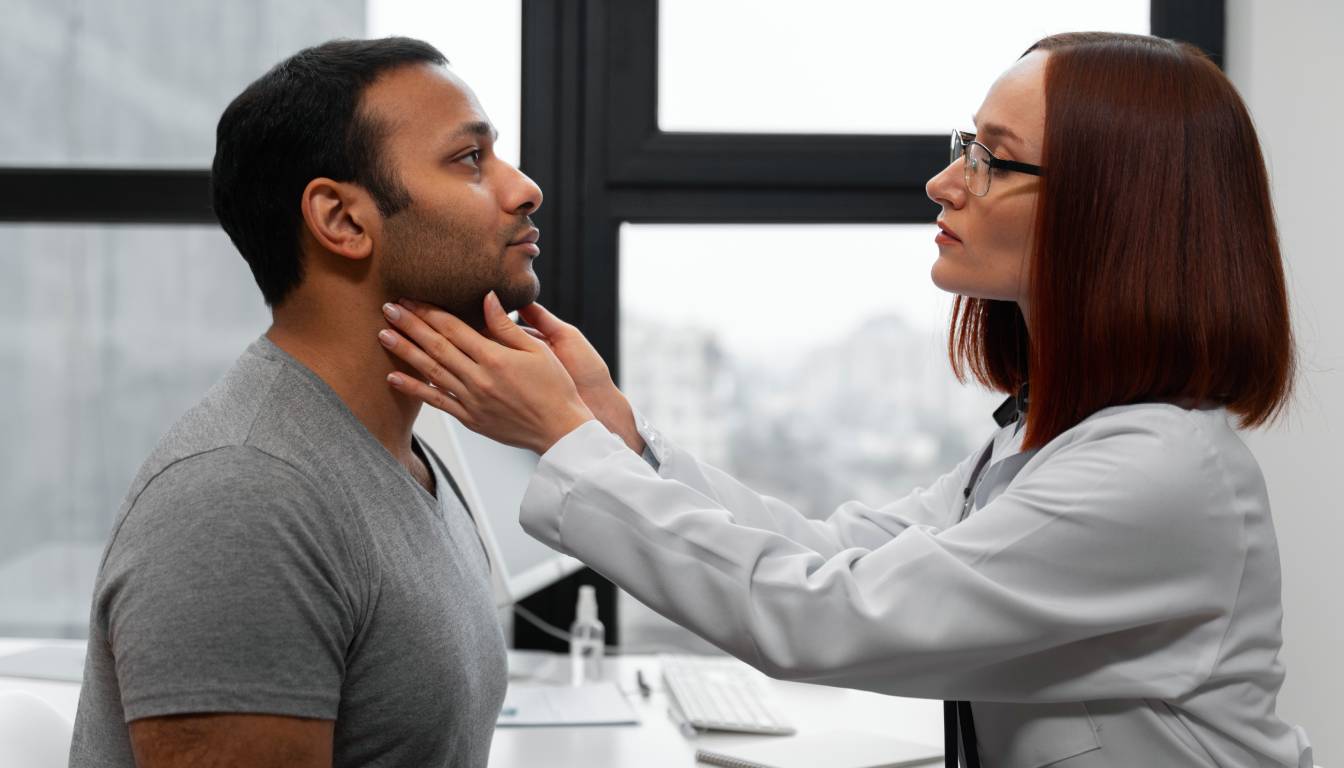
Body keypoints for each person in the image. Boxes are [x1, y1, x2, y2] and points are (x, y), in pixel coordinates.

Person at [376, 32, 1314, 767]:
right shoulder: (1049, 441)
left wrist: (566, 441)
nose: (945, 182)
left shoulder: (1154, 474)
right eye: (965, 146)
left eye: (993, 158)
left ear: (1111, 209)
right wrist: (619, 438)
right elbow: (835, 550)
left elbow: (832, 615)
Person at [69, 37, 544, 767]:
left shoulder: (405, 458)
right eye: (469, 160)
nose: (522, 189)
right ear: (343, 221)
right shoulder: (244, 498)